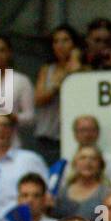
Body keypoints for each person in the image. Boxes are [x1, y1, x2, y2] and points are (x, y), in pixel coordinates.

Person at [33, 24, 83, 162]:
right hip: (48, 136)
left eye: (65, 40)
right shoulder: (46, 70)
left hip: (73, 136)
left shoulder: (81, 68)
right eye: (56, 41)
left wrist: (75, 59)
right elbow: (38, 99)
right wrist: (61, 80)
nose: (60, 45)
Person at [53, 146, 110, 221]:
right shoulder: (62, 192)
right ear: (75, 163)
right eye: (83, 158)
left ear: (100, 165)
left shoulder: (107, 193)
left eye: (93, 159)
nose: (87, 162)